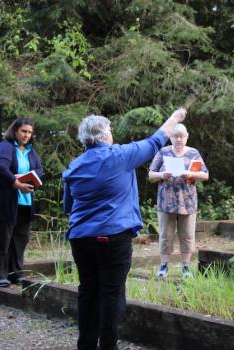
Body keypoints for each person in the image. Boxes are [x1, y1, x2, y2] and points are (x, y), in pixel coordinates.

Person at [63, 108, 186, 350]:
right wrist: (175, 118)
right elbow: (155, 140)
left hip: (80, 237)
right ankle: (108, 346)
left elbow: (69, 206)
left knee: (88, 290)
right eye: (109, 130)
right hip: (113, 237)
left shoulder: (74, 166)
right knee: (112, 292)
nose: (112, 134)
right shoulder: (120, 156)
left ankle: (86, 345)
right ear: (103, 135)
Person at [0, 117, 43, 287]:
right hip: (2, 201)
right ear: (15, 131)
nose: (26, 135)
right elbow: (0, 167)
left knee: (20, 238)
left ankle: (15, 273)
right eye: (23, 131)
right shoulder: (5, 147)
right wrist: (17, 183)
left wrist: (28, 178)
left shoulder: (30, 150)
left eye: (29, 132)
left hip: (23, 201)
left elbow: (39, 169)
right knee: (2, 238)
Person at [148, 123, 209, 278]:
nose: (179, 139)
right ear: (171, 138)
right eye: (175, 136)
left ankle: (186, 267)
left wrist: (190, 174)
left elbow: (205, 175)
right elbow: (151, 174)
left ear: (186, 138)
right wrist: (162, 175)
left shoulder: (194, 153)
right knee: (165, 235)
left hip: (187, 203)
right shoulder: (164, 152)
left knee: (187, 235)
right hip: (166, 202)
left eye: (182, 136)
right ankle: (163, 267)